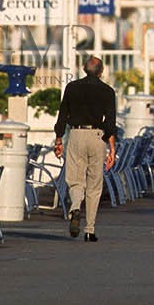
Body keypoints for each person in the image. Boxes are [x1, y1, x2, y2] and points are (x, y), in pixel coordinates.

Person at [53, 55, 117, 243]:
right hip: (97, 136)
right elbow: (110, 123)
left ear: (83, 69)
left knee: (75, 179)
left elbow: (63, 115)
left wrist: (58, 140)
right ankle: (90, 230)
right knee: (94, 184)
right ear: (101, 71)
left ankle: (74, 207)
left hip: (76, 135)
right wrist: (111, 149)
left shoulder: (72, 88)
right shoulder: (107, 91)